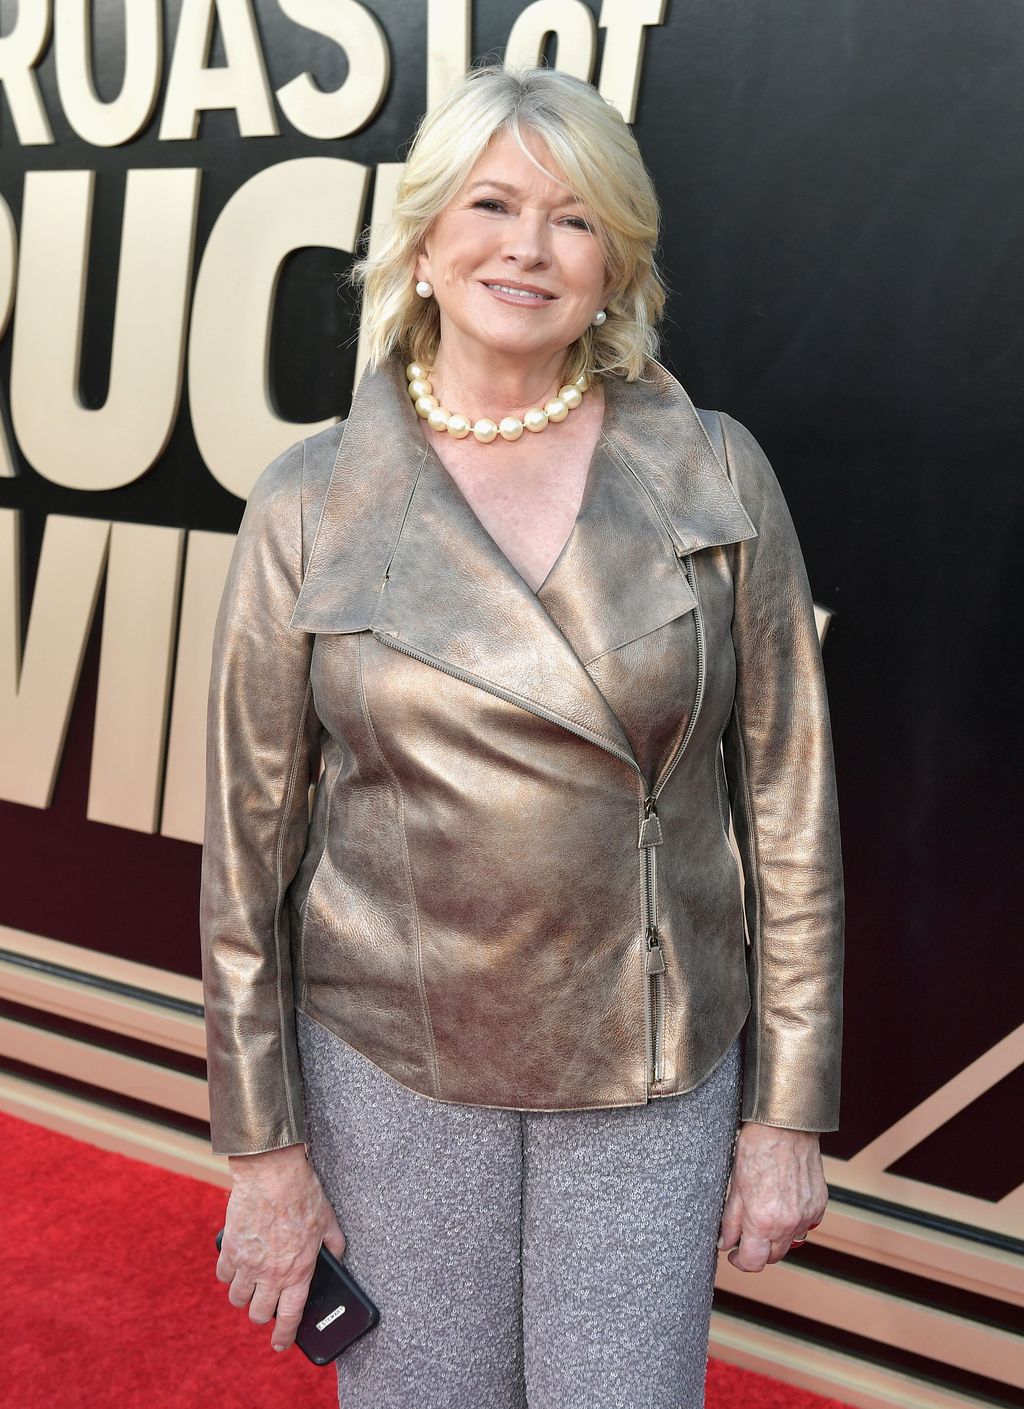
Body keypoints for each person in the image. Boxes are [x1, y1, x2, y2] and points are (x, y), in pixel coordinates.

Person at [200, 63, 844, 1409]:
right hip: (392, 1067)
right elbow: (248, 862)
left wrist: (785, 1109)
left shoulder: (717, 472)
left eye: (576, 218)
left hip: (653, 1064)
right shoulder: (307, 505)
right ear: (424, 243)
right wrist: (264, 1150)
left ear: (616, 264)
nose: (529, 248)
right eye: (491, 204)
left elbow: (787, 804)